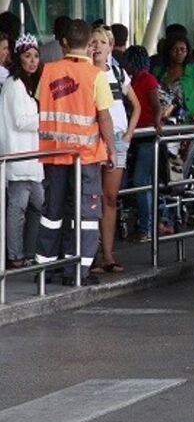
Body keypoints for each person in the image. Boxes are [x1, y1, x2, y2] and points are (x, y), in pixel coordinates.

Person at [35, 20, 116, 287]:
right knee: (86, 216)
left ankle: (45, 268)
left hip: (53, 155)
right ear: (89, 45)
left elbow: (41, 105)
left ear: (64, 43)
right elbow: (104, 118)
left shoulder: (48, 71)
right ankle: (77, 270)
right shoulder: (96, 76)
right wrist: (112, 151)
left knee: (52, 213)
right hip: (86, 157)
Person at [89, 26, 141, 273]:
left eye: (102, 42)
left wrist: (129, 134)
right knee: (91, 197)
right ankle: (89, 254)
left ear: (111, 47)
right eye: (94, 41)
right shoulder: (85, 73)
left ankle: (107, 254)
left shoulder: (118, 73)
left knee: (109, 197)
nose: (98, 46)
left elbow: (136, 106)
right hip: (92, 139)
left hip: (118, 139)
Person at [0, 34, 44, 268]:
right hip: (19, 156)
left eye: (36, 56)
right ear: (19, 58)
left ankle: (27, 252)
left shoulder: (26, 84)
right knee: (19, 209)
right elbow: (20, 121)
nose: (32, 61)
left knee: (37, 205)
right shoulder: (15, 84)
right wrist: (44, 119)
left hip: (30, 158)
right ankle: (17, 255)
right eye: (27, 56)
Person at [124, 46, 162, 243]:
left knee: (141, 181)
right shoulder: (133, 80)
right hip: (137, 135)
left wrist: (157, 123)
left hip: (147, 135)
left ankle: (145, 227)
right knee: (140, 182)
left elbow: (156, 106)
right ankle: (145, 225)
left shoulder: (147, 79)